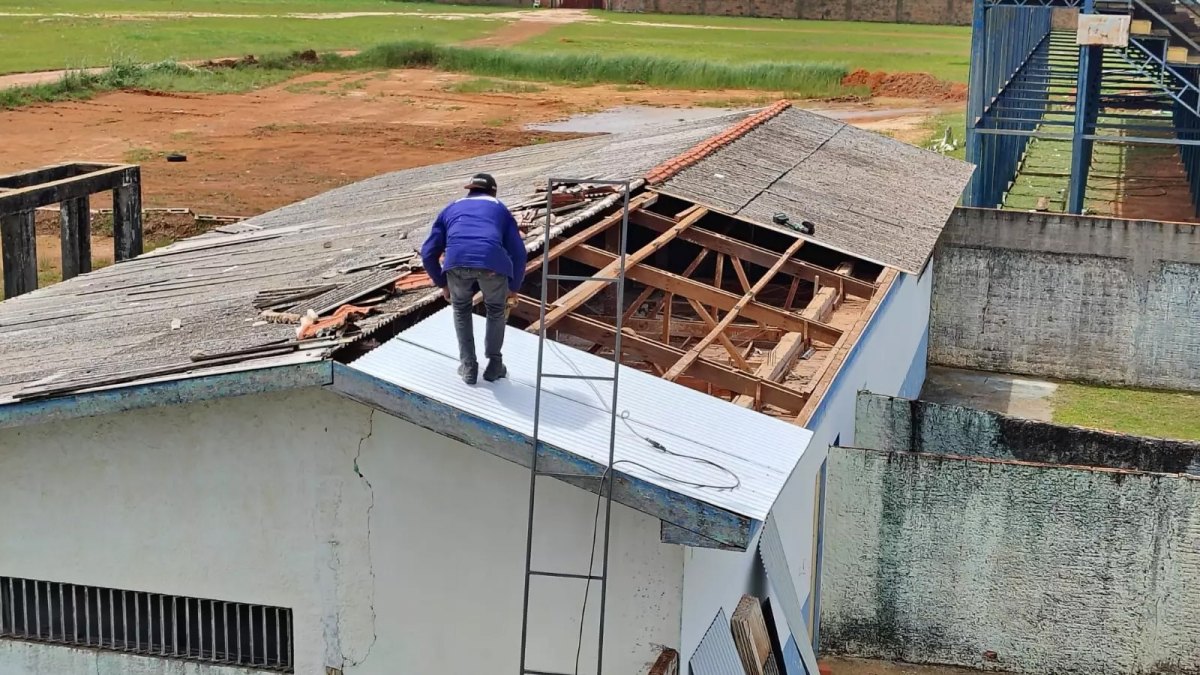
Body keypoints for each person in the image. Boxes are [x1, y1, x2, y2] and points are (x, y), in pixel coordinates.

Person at [420, 173, 528, 385]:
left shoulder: (450, 209)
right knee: (496, 310)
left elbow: (427, 253)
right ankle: (495, 365)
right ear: (493, 191)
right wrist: (514, 287)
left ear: (469, 190)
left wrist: (442, 283)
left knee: (461, 310)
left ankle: (468, 366)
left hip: (456, 263)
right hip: (492, 265)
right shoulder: (499, 209)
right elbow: (519, 253)